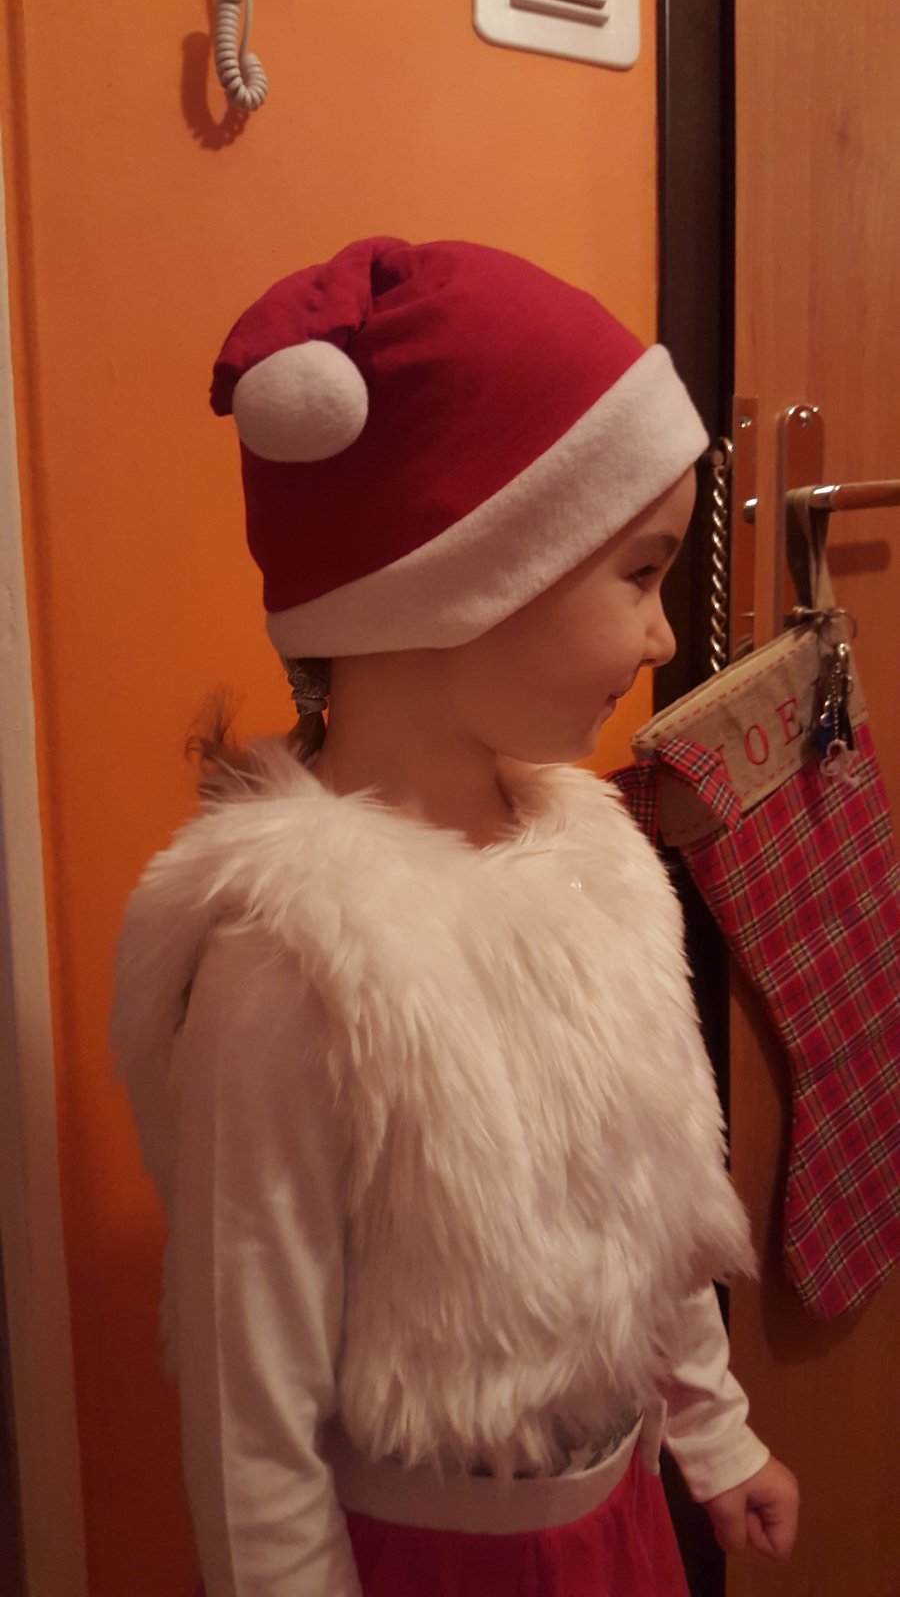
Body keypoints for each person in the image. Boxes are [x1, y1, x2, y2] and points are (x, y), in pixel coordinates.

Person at [110, 236, 799, 1597]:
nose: (665, 637)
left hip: (620, 1527)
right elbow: (253, 1427)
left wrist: (714, 1439)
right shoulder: (295, 965)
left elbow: (651, 1209)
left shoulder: (599, 862)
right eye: (640, 573)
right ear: (460, 577)